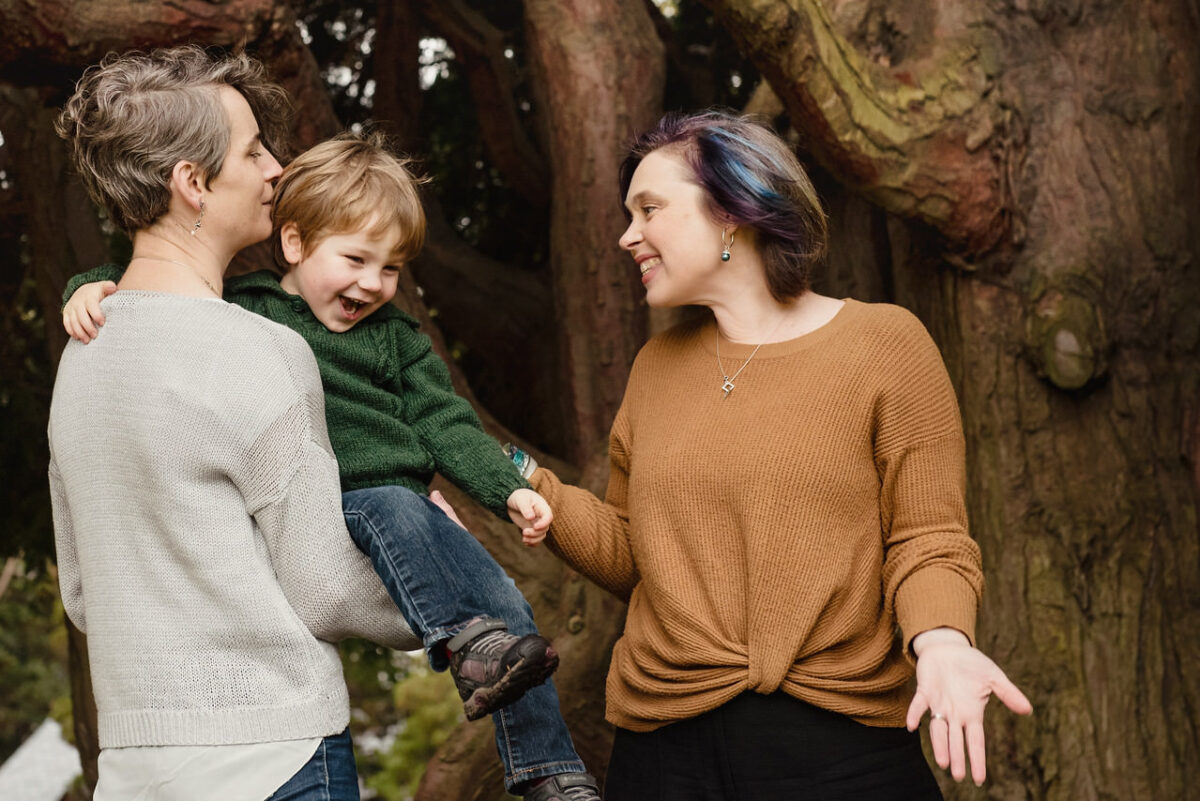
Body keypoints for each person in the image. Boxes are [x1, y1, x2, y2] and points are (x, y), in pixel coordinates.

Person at [61, 135, 599, 800]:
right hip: (337, 507)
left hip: (399, 502)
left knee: (506, 600)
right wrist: (91, 289)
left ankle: (549, 770)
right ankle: (466, 644)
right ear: (295, 245)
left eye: (392, 268)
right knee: (405, 517)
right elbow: (161, 299)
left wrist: (509, 490)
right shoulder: (248, 309)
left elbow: (447, 422)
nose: (373, 284)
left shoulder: (399, 340)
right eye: (355, 259)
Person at [518, 110, 1033, 800]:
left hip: (841, 751)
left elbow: (928, 535)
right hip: (663, 755)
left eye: (650, 209)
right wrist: (510, 479)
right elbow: (640, 554)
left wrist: (942, 640)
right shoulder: (655, 366)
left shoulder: (886, 344)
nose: (627, 235)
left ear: (733, 212)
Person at [49, 45, 421, 801]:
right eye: (253, 150)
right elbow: (325, 587)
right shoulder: (262, 348)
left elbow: (83, 592)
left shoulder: (80, 359)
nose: (276, 167)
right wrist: (446, 601)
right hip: (278, 758)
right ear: (192, 183)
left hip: (135, 762)